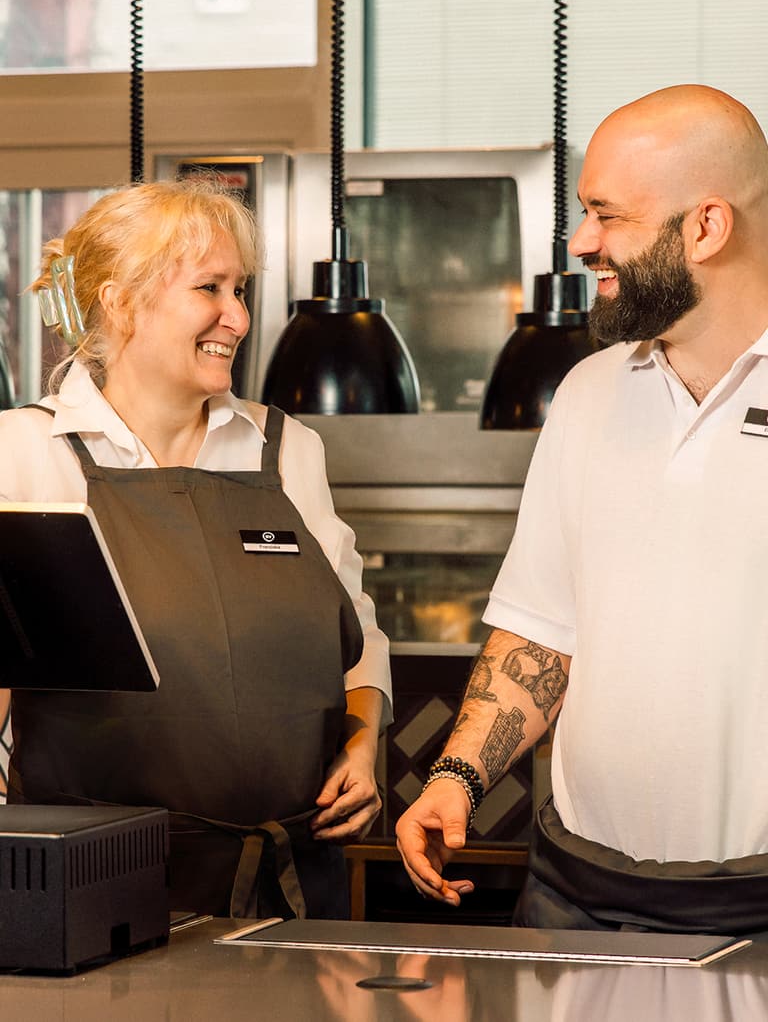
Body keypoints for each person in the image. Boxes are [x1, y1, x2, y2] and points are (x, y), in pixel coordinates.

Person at [395, 84, 768, 937]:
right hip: (574, 894)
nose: (582, 241)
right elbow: (540, 629)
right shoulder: (588, 394)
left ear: (706, 227)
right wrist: (456, 777)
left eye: (608, 215)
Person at [0, 177, 392, 921]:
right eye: (210, 288)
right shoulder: (21, 452)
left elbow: (356, 633)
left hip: (288, 882)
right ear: (119, 302)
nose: (238, 317)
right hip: (91, 887)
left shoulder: (285, 451)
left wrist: (362, 748)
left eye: (240, 289)